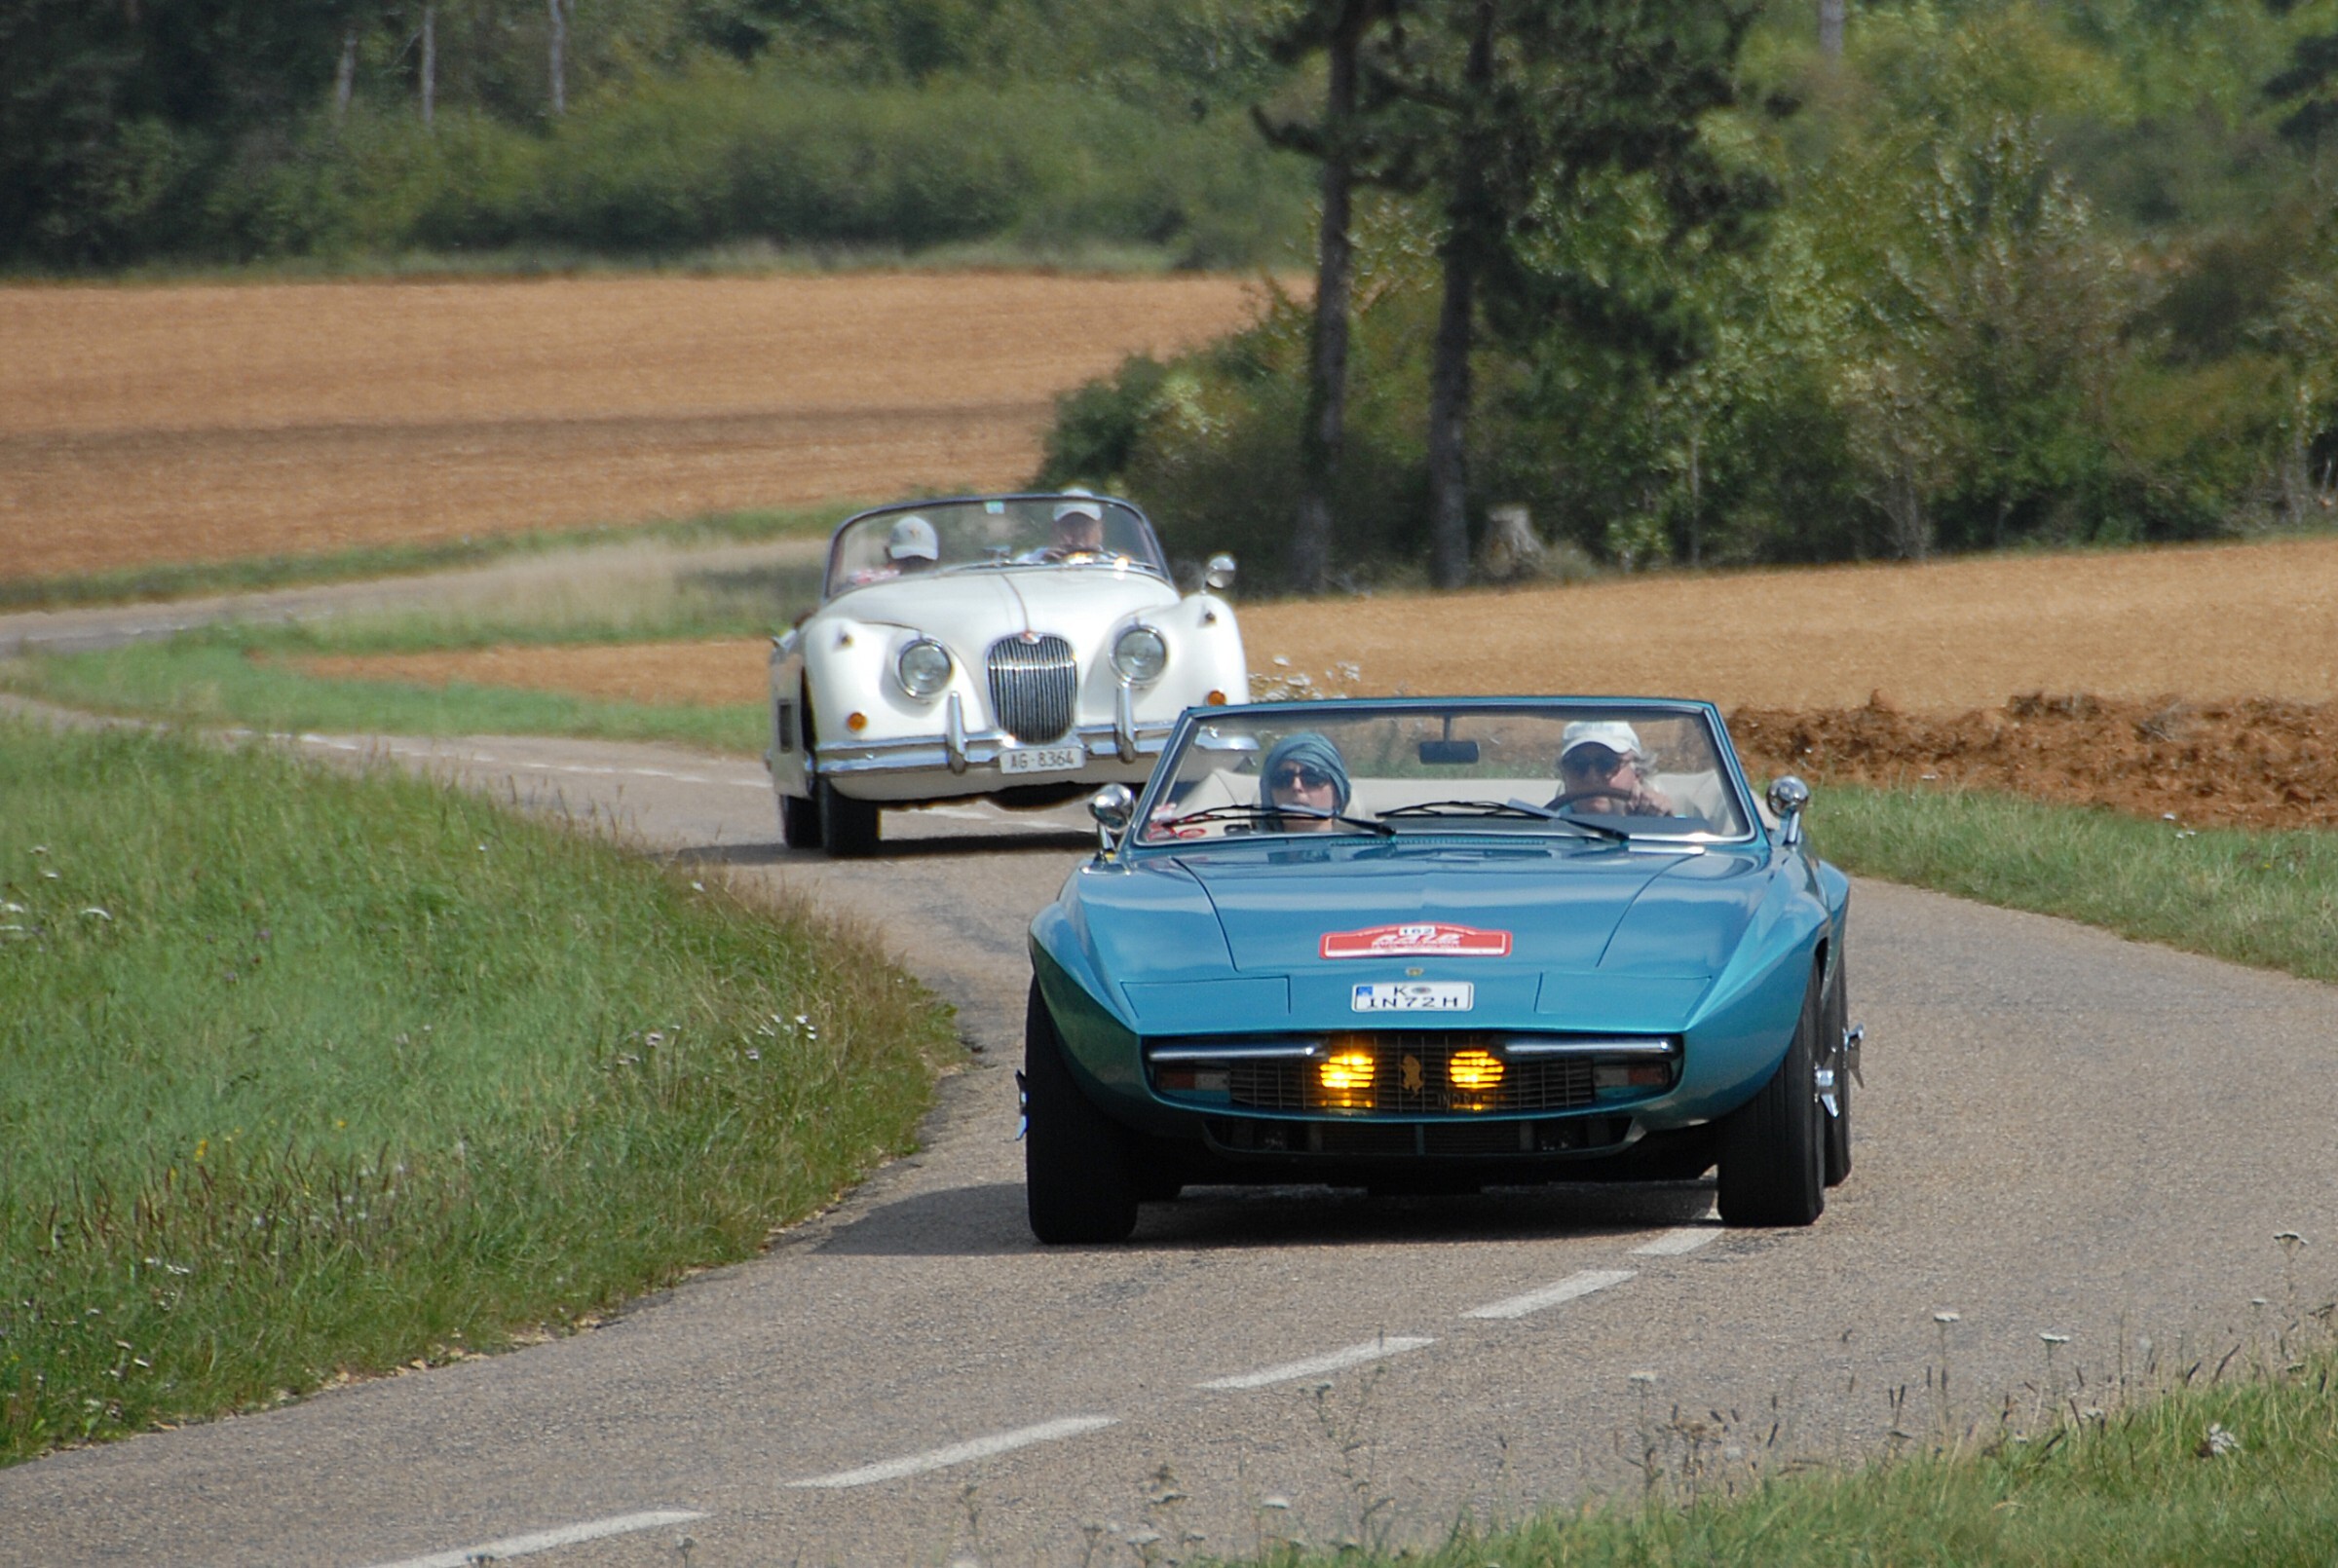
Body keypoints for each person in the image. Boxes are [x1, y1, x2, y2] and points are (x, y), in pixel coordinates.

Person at [1549, 720, 1676, 816]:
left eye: (1606, 764)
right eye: (1578, 764)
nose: (1592, 778)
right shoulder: (1547, 829)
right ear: (1564, 774)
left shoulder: (1662, 826)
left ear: (1637, 773)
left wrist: (1663, 821)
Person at [1259, 731, 1352, 831]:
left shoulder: (1362, 846)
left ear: (1337, 795)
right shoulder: (1249, 845)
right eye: (1283, 778)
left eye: (1312, 778)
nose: (1296, 786)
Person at [1021, 491, 1109, 563]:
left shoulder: (1111, 566)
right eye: (1070, 525)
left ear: (1099, 529)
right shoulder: (1030, 562)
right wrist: (1044, 564)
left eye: (1085, 527)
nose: (1078, 535)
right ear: (1054, 529)